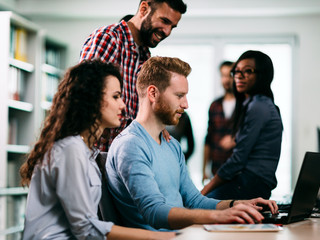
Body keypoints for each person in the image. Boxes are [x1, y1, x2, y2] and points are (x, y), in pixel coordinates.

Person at [106, 56, 278, 231]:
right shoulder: (131, 145)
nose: (185, 104)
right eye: (179, 95)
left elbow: (195, 201)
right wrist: (220, 216)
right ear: (153, 93)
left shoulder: (171, 145)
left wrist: (238, 204)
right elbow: (154, 212)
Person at [19, 59, 175, 240]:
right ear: (91, 99)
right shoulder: (71, 149)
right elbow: (86, 229)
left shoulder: (88, 153)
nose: (123, 105)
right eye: (116, 97)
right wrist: (159, 237)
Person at [79, 0, 187, 151]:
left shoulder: (145, 56)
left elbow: (137, 112)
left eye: (172, 27)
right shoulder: (109, 39)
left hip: (124, 155)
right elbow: (84, 99)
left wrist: (156, 123)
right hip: (96, 153)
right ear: (144, 9)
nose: (167, 32)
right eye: (164, 21)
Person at [201, 50, 283, 200]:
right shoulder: (253, 104)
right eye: (236, 72)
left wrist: (204, 191)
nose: (239, 76)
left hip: (250, 184)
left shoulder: (258, 106)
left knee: (197, 206)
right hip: (247, 182)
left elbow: (238, 159)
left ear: (262, 75)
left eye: (248, 71)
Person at [202, 61, 236, 182]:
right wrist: (204, 170)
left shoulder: (246, 106)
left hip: (238, 171)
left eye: (230, 75)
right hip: (216, 169)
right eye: (223, 75)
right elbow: (208, 138)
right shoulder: (215, 105)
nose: (226, 80)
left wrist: (235, 140)